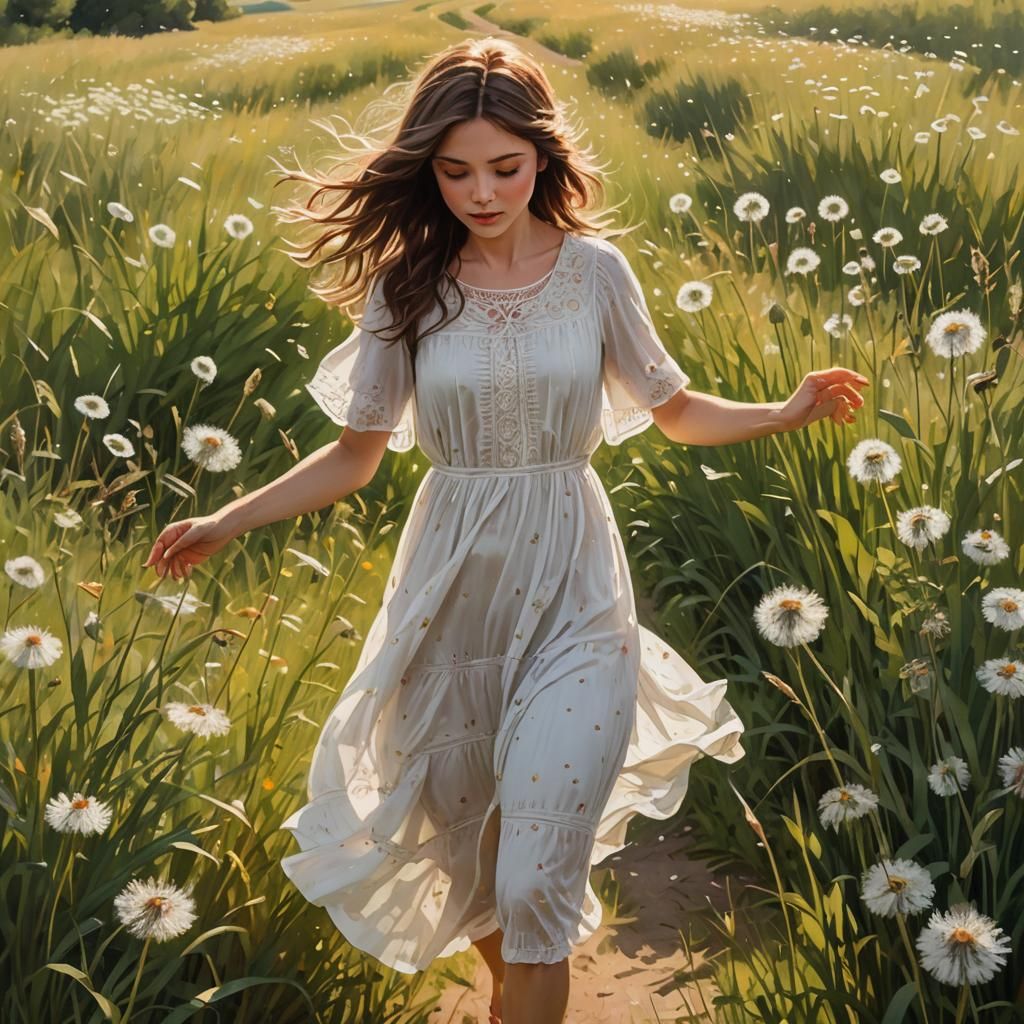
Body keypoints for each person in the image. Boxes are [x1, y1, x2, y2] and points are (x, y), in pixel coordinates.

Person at [143, 37, 869, 1024]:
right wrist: (230, 515)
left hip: (578, 590)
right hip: (448, 598)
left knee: (534, 882)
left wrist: (780, 410)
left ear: (543, 157)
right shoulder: (407, 291)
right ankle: (509, 994)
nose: (480, 192)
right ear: (426, 170)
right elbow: (356, 455)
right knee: (469, 866)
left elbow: (675, 407)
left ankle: (527, 979)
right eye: (453, 171)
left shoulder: (595, 273)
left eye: (503, 166)